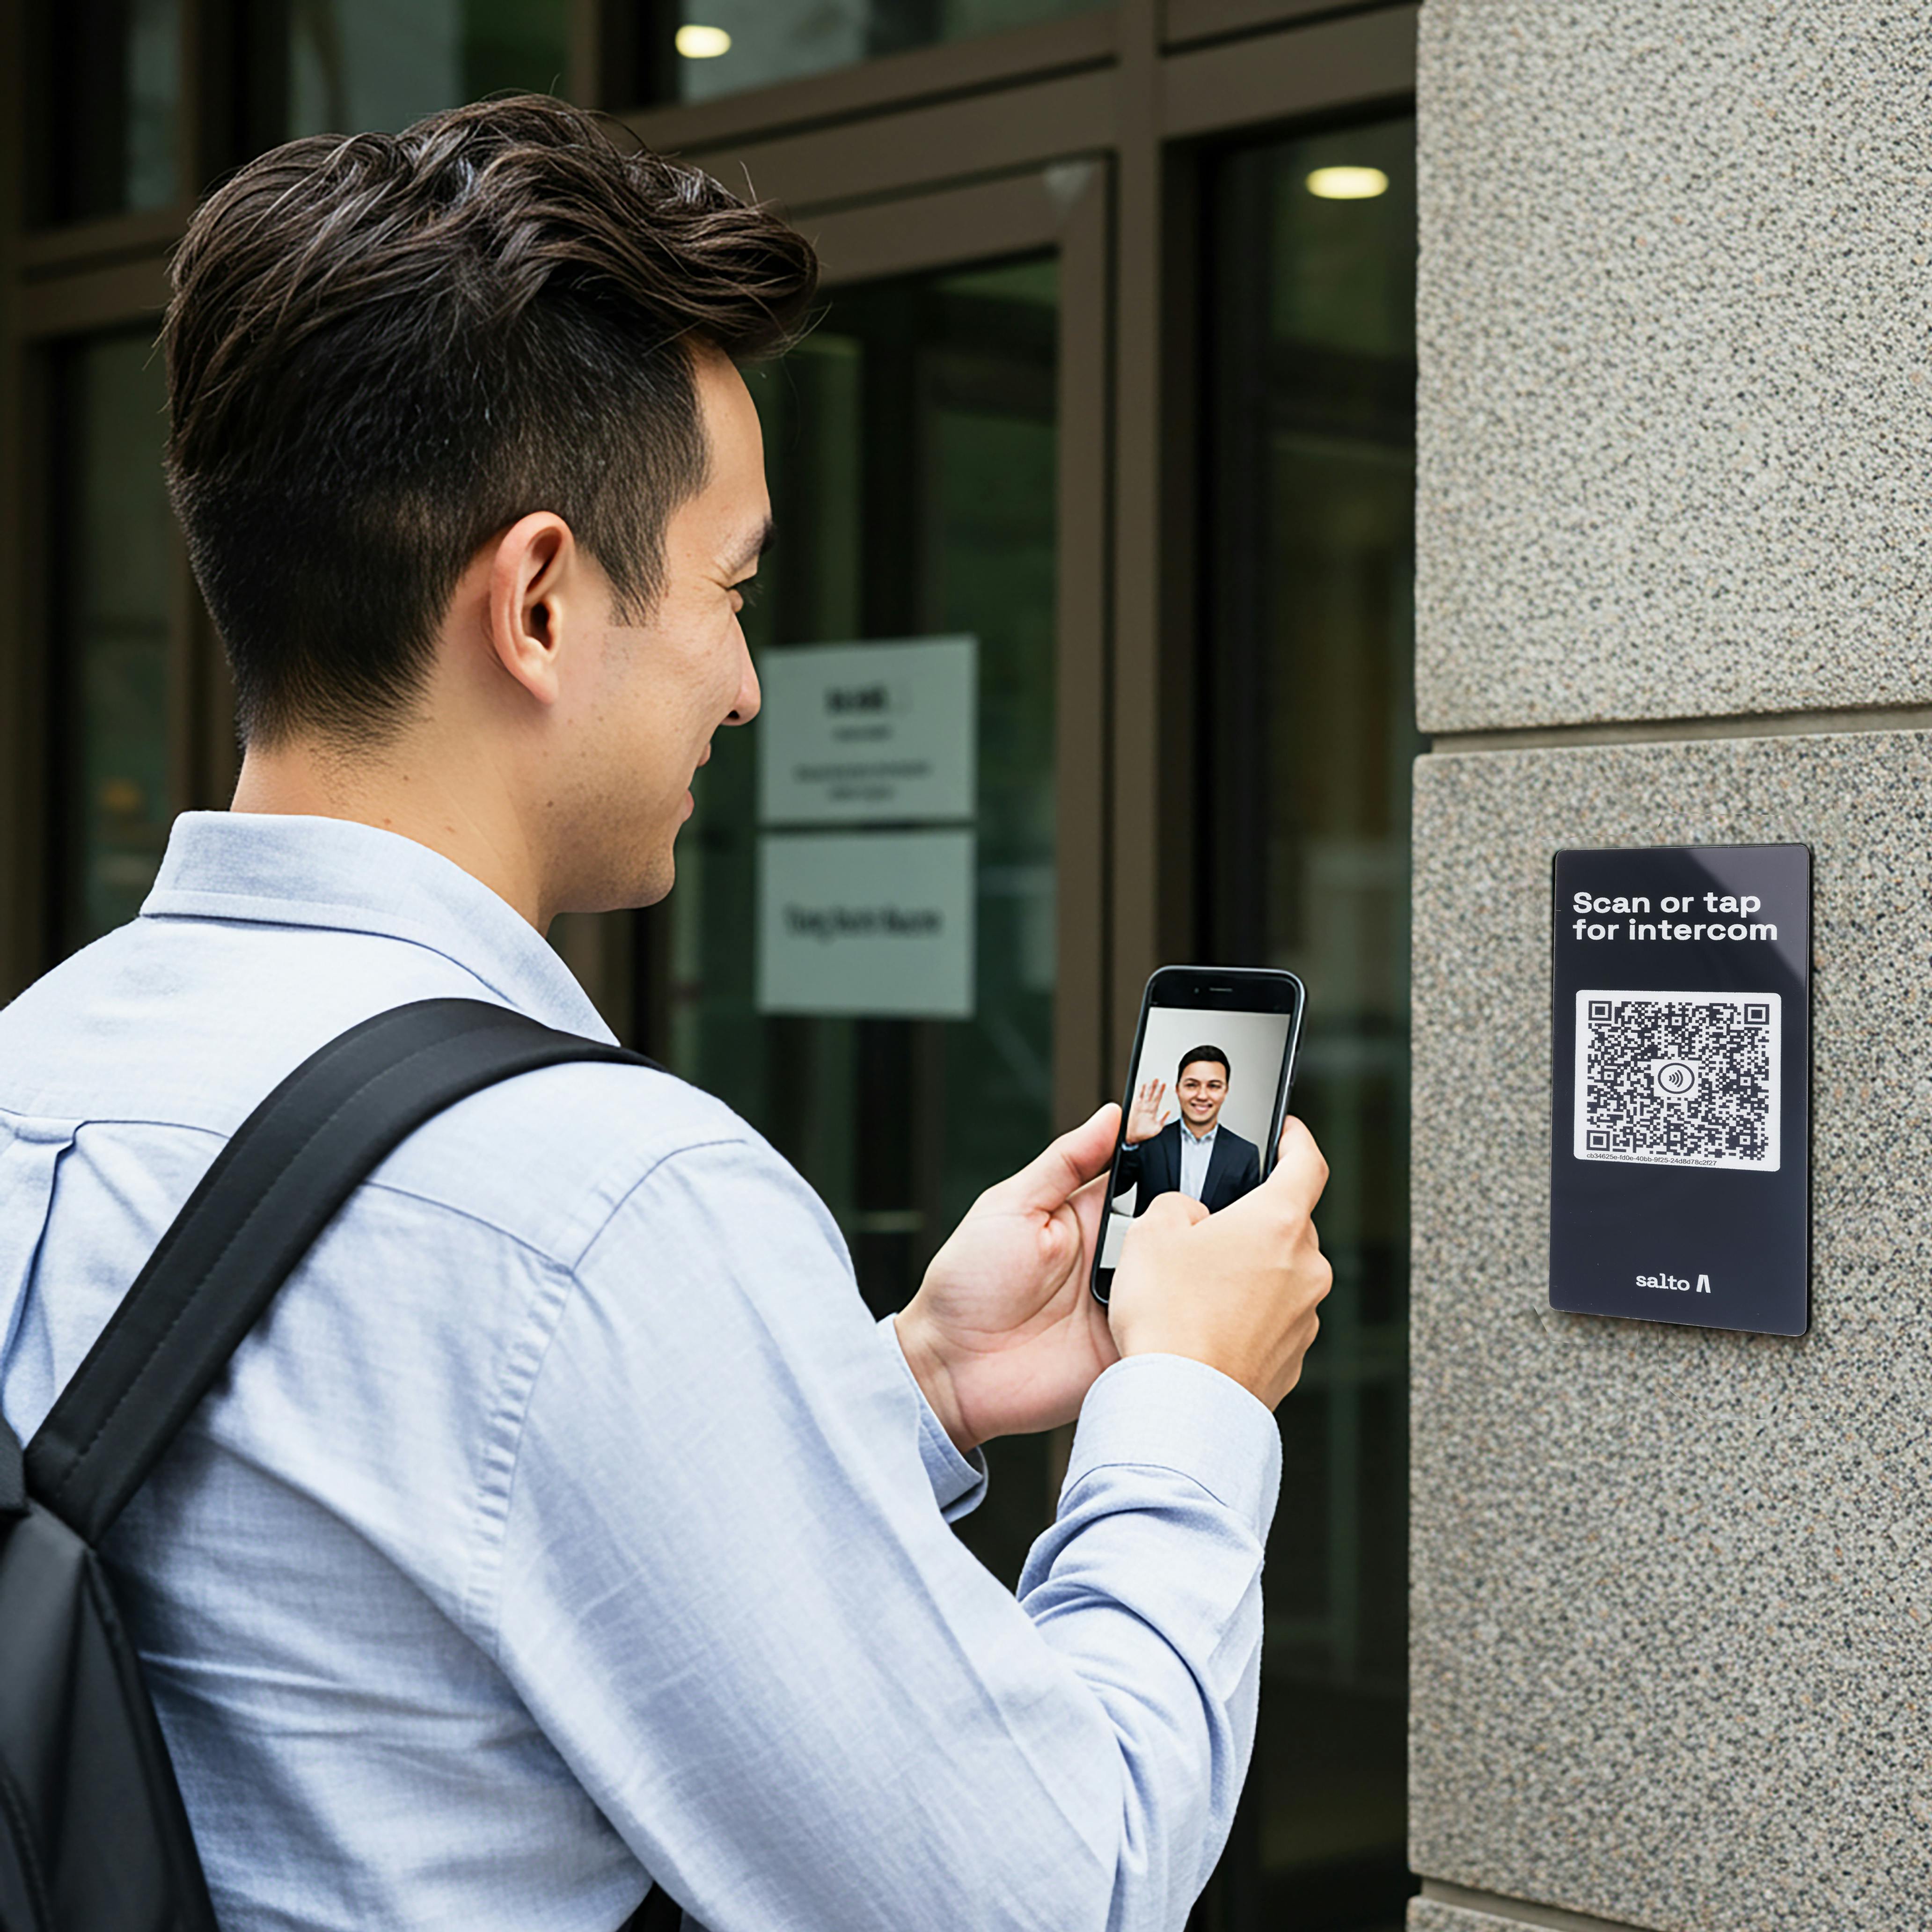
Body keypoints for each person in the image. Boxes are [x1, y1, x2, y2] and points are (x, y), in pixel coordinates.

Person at [0, 99, 1333, 1932]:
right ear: (539, 601)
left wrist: (919, 1383)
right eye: (733, 586)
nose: (749, 683)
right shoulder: (604, 1211)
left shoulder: (38, 1072)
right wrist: (1187, 1405)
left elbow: (370, 1591)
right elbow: (1047, 1891)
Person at [1115, 1046, 1264, 1215]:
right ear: (1178, 1089)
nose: (1202, 1096)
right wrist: (1130, 1141)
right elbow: (1114, 1190)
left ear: (1225, 1091)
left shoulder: (1245, 1154)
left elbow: (1249, 1220)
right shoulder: (1149, 1141)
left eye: (1214, 1086)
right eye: (1192, 1085)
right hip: (1155, 1241)